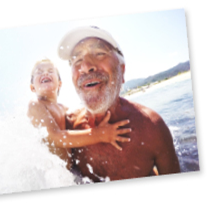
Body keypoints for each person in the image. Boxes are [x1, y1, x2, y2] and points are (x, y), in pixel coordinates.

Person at [58, 26, 180, 182]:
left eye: (100, 53)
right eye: (77, 59)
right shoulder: (67, 129)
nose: (86, 66)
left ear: (122, 71)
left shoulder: (152, 128)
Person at [27, 58, 132, 171]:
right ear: (32, 87)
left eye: (50, 71)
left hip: (72, 171)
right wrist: (99, 134)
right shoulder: (36, 105)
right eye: (39, 72)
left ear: (60, 84)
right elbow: (56, 137)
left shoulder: (64, 108)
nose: (45, 73)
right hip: (53, 176)